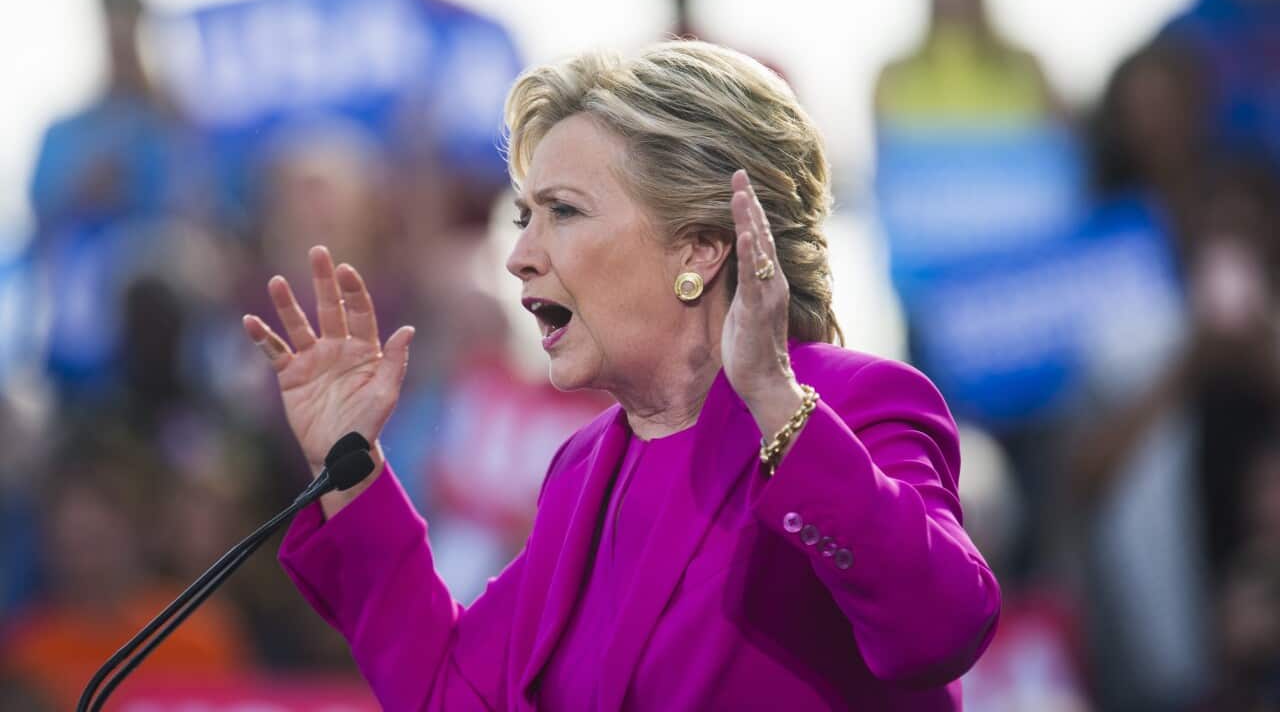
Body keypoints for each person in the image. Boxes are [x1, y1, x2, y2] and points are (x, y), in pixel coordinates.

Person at [242, 41, 1000, 709]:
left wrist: (778, 407)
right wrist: (350, 466)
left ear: (700, 248)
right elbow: (452, 694)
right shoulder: (582, 472)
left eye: (563, 213)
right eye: (524, 218)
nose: (520, 256)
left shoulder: (856, 403)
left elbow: (941, 627)